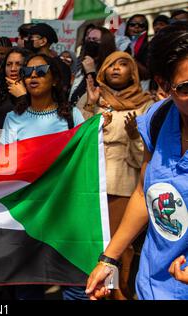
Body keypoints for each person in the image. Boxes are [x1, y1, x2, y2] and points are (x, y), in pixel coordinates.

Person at [85, 23, 188, 300]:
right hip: (152, 286)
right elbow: (145, 192)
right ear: (164, 85)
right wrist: (109, 259)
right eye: (186, 87)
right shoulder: (158, 118)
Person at [0, 53, 86, 300]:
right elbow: (8, 167)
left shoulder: (72, 116)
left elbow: (83, 160)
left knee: (76, 286)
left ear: (56, 79)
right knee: (28, 287)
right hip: (30, 216)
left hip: (66, 214)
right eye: (27, 72)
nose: (32, 76)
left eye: (40, 71)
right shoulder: (13, 118)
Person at [79, 51, 154, 299]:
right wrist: (91, 106)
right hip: (93, 179)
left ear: (132, 71)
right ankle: (102, 289)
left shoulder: (146, 104)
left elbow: (146, 153)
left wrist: (134, 135)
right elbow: (79, 139)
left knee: (122, 244)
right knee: (96, 240)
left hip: (125, 180)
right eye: (110, 64)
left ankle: (120, 290)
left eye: (123, 64)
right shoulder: (95, 98)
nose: (115, 69)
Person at [0, 47, 30, 143]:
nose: (13, 69)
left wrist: (22, 96)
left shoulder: (34, 94)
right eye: (9, 64)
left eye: (19, 64)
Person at [69, 26, 116, 106]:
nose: (90, 42)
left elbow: (105, 94)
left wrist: (91, 72)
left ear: (105, 43)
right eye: (89, 39)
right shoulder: (83, 62)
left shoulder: (113, 66)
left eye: (95, 40)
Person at [125, 14, 150, 80]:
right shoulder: (120, 44)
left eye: (141, 25)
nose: (136, 27)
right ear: (127, 28)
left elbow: (147, 74)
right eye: (132, 24)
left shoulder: (150, 47)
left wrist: (131, 59)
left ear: (146, 29)